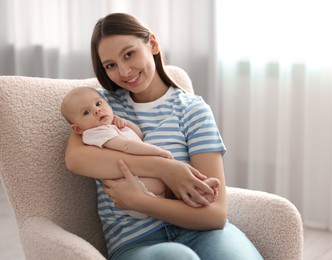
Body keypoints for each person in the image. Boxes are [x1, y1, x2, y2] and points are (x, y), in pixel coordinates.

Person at [64, 12, 263, 260]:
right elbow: (75, 159)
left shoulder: (192, 110)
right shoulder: (99, 106)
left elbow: (215, 215)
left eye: (129, 54)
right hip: (135, 242)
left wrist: (141, 201)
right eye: (111, 65)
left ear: (153, 44)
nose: (125, 71)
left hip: (201, 232)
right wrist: (165, 169)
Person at [61, 86, 220, 219]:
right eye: (86, 113)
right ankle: (197, 193)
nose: (96, 110)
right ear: (77, 129)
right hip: (132, 185)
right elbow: (127, 146)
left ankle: (198, 192)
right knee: (162, 183)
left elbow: (139, 137)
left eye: (98, 103)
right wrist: (160, 154)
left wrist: (127, 124)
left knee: (172, 185)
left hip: (142, 184)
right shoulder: (94, 133)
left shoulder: (111, 127)